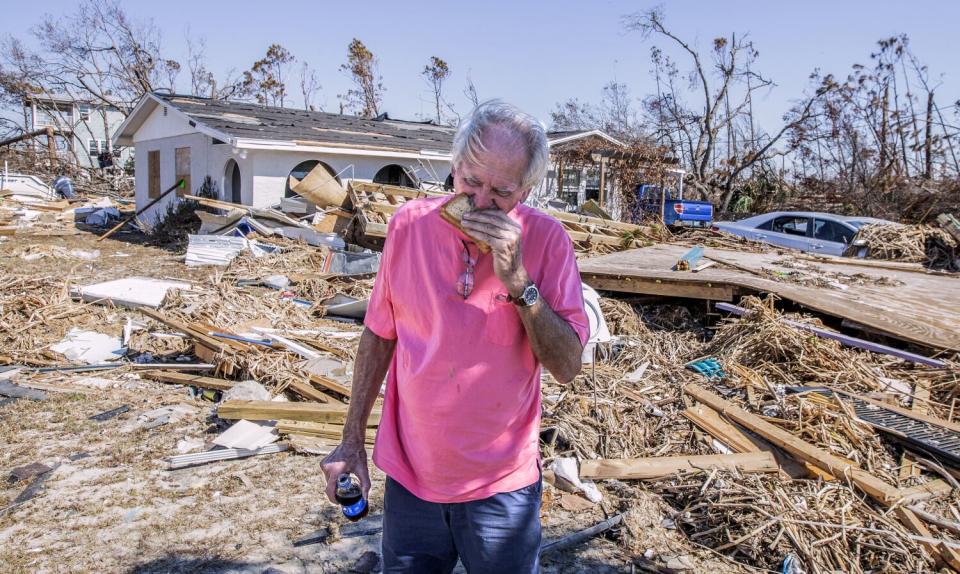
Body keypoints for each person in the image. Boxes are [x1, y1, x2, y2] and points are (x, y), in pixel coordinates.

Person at [321, 100, 589, 573]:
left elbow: (567, 367)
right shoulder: (409, 226)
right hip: (411, 478)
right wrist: (351, 442)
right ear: (454, 166)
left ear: (526, 190)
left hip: (502, 488)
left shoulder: (548, 241)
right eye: (470, 182)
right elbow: (380, 335)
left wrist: (520, 284)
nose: (481, 202)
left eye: (501, 191)